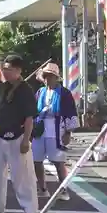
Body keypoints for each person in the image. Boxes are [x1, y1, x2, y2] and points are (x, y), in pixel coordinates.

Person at [0, 54, 38, 213]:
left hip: (18, 136)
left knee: (22, 175)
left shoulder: (26, 90)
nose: (5, 72)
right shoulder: (0, 88)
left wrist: (27, 139)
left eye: (9, 69)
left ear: (18, 71)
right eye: (4, 69)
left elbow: (29, 118)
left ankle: (30, 208)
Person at [32, 63, 79, 201]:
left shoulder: (64, 93)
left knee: (59, 162)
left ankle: (63, 190)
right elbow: (34, 111)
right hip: (40, 129)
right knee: (36, 160)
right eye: (46, 76)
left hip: (58, 130)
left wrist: (68, 133)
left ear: (56, 78)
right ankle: (42, 188)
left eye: (51, 76)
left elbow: (71, 112)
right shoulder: (40, 92)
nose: (48, 79)